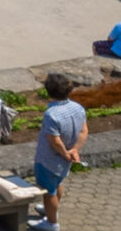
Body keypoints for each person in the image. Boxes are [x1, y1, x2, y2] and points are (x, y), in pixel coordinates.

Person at [29, 74, 87, 231]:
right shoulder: (78, 107)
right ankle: (52, 211)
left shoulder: (51, 114)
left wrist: (64, 153)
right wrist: (74, 150)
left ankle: (52, 222)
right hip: (65, 160)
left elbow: (54, 140)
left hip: (49, 159)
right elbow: (83, 131)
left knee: (49, 192)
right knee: (58, 183)